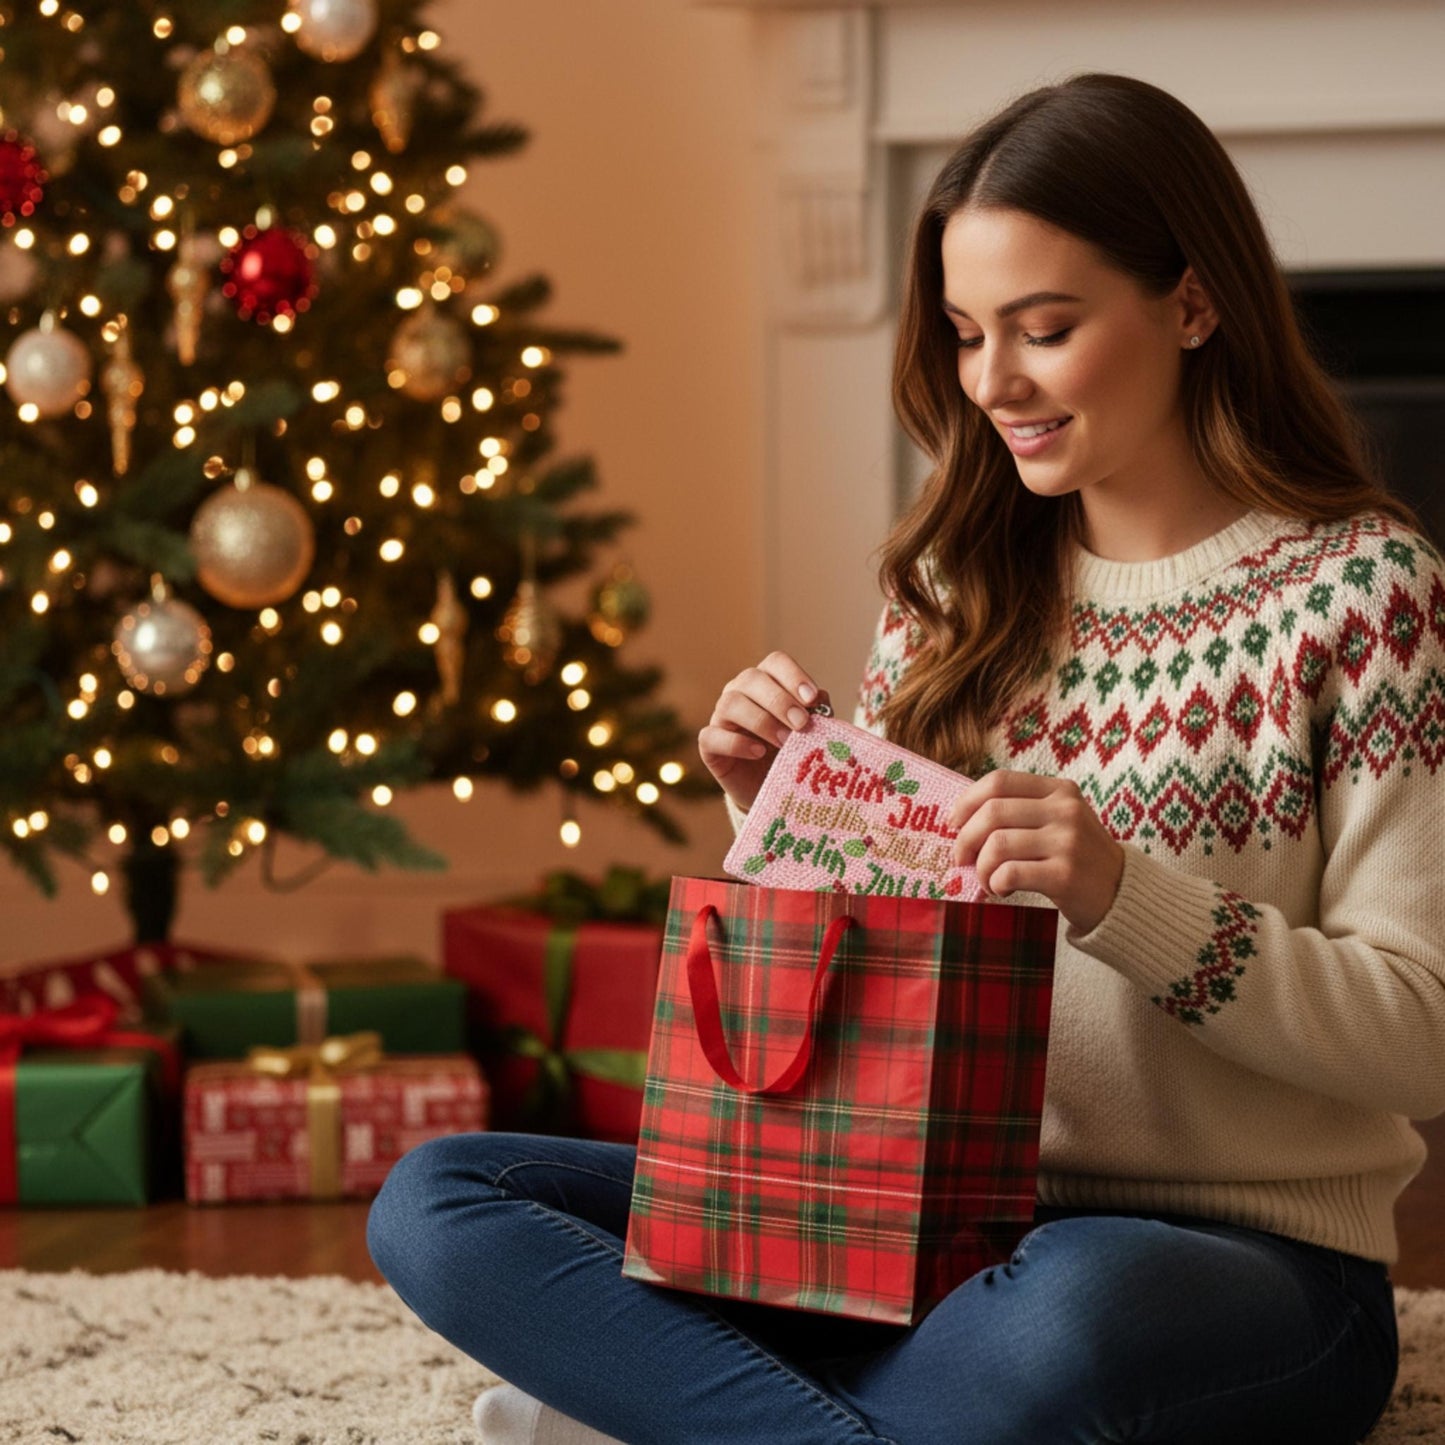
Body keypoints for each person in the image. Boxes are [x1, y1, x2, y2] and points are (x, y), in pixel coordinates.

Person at [368, 72, 1441, 1444]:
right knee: (444, 1199)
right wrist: (789, 824)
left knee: (1052, 1324)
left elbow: (1421, 1032)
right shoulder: (951, 587)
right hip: (911, 1219)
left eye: (1042, 329)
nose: (991, 381)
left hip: (1242, 1268)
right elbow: (887, 1008)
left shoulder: (1362, 596)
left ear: (1189, 303)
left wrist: (1126, 896)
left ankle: (674, 1413)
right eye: (963, 332)